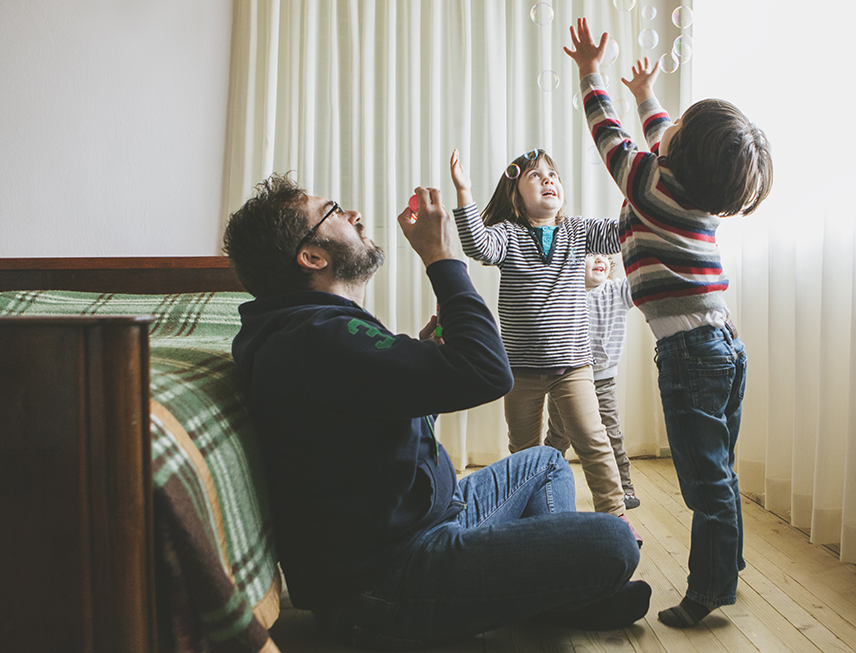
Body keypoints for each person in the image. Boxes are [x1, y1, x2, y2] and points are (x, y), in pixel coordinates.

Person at [222, 174, 650, 648]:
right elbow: (491, 372)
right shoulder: (319, 337)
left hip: (433, 524)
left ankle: (547, 590)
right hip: (393, 582)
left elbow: (378, 412)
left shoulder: (312, 333)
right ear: (313, 257)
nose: (355, 215)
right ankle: (551, 591)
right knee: (613, 541)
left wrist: (424, 352)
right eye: (336, 211)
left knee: (547, 463)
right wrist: (441, 256)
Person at [564, 18, 774, 628]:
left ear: (678, 156)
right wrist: (647, 95)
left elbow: (610, 138)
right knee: (719, 469)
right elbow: (661, 135)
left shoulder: (650, 185)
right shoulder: (691, 190)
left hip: (691, 353)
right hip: (722, 345)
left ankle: (707, 591)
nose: (666, 127)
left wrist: (590, 73)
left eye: (676, 127)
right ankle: (725, 564)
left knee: (703, 480)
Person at [449, 148, 640, 541]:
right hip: (519, 369)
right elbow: (477, 246)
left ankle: (616, 517)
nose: (548, 179)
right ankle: (530, 519)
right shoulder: (508, 235)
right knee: (524, 450)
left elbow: (624, 230)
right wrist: (464, 192)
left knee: (593, 439)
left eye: (552, 174)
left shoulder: (578, 231)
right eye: (535, 175)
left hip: (573, 366)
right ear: (516, 195)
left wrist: (638, 184)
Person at [545, 253, 641, 509]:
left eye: (603, 255)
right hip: (566, 380)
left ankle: (624, 487)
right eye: (590, 254)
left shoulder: (617, 290)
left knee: (611, 433)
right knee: (559, 434)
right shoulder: (564, 293)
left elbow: (640, 280)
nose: (599, 259)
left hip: (603, 381)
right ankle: (541, 483)